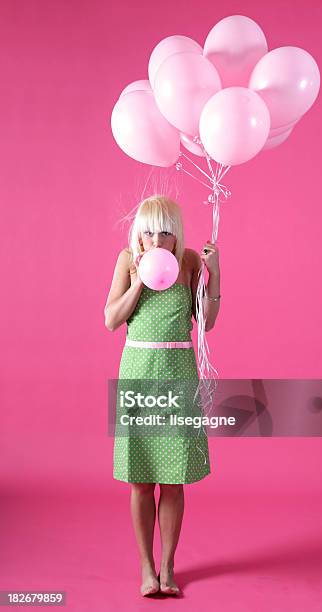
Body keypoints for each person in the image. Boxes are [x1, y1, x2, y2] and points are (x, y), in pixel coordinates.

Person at [104, 195, 221, 596]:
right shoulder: (128, 259)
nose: (157, 239)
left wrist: (214, 275)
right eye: (150, 230)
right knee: (140, 481)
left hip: (178, 376)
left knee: (173, 482)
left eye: (166, 231)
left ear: (177, 236)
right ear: (140, 232)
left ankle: (169, 568)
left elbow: (206, 323)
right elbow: (110, 320)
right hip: (138, 376)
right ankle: (146, 568)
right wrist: (138, 279)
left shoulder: (188, 261)